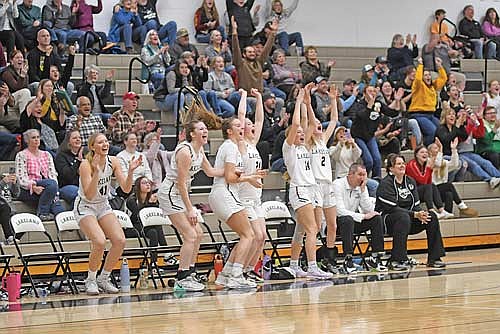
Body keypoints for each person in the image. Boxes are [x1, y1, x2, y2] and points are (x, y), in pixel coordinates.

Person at [158, 120, 222, 291]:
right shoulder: (185, 152)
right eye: (201, 128)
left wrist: (235, 172)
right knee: (190, 235)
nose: (205, 130)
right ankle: (182, 277)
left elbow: (211, 172)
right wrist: (190, 209)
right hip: (170, 194)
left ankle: (191, 271)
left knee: (199, 234)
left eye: (206, 128)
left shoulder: (199, 150)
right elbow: (180, 183)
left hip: (181, 194)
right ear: (192, 134)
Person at [75, 132, 142, 295]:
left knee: (120, 240)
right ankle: (90, 279)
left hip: (103, 205)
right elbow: (89, 195)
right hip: (85, 206)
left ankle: (103, 278)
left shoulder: (114, 161)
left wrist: (131, 172)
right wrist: (97, 173)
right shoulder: (85, 165)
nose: (104, 144)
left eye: (106, 141)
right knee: (99, 241)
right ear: (92, 147)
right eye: (99, 142)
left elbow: (125, 189)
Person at [208, 113, 265, 288]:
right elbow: (230, 178)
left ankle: (225, 275)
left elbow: (231, 175)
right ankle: (236, 275)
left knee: (248, 235)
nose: (241, 128)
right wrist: (249, 178)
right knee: (249, 235)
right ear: (229, 131)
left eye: (242, 126)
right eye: (237, 126)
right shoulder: (230, 148)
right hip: (225, 193)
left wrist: (250, 176)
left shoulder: (233, 147)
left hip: (224, 194)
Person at [284, 88, 332, 279]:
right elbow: (297, 124)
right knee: (312, 229)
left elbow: (309, 123)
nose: (302, 133)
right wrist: (297, 102)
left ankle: (294, 264)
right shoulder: (289, 149)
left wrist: (307, 103)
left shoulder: (304, 145)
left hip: (313, 189)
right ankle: (312, 266)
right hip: (299, 189)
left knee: (305, 229)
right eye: (298, 133)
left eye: (303, 133)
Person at [375, 153, 446, 269]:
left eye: (403, 163)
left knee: (431, 216)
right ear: (391, 168)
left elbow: (416, 205)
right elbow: (392, 208)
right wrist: (414, 214)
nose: (402, 166)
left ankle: (435, 258)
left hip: (408, 219)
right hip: (388, 221)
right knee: (402, 216)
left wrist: (421, 214)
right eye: (398, 164)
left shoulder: (410, 182)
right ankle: (397, 259)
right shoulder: (385, 184)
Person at [303, 82, 338, 272]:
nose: (318, 126)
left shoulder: (323, 140)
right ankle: (311, 261)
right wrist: (308, 104)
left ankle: (329, 259)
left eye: (319, 124)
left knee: (332, 224)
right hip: (314, 186)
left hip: (328, 186)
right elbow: (310, 122)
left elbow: (333, 121)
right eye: (315, 124)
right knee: (315, 227)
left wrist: (333, 101)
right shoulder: (308, 143)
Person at [235, 88, 267, 283]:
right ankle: (241, 270)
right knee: (255, 235)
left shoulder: (253, 143)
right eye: (247, 125)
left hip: (256, 198)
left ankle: (250, 270)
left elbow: (260, 120)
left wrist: (260, 98)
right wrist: (245, 97)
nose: (251, 125)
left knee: (262, 237)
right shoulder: (241, 144)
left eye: (250, 123)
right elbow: (240, 116)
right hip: (244, 197)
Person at [333, 163, 387, 273]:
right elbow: (339, 211)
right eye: (360, 174)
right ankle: (348, 259)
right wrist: (362, 216)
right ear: (350, 174)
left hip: (353, 222)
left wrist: (363, 191)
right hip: (335, 224)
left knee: (376, 218)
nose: (362, 178)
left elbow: (369, 209)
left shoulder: (361, 186)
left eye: (364, 175)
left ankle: (375, 257)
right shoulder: (337, 185)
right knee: (346, 219)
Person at [16, 129, 65, 221]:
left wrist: (54, 189)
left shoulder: (47, 154)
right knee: (51, 186)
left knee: (60, 211)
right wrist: (33, 187)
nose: (36, 140)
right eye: (33, 138)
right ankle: (43, 213)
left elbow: (53, 174)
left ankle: (48, 214)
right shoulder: (21, 155)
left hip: (48, 188)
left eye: (38, 137)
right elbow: (21, 178)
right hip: (28, 189)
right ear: (27, 141)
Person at [351, 85, 397, 178]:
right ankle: (363, 178)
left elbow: (392, 113)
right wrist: (370, 104)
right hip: (358, 136)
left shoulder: (378, 104)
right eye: (370, 91)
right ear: (364, 94)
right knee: (368, 161)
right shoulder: (359, 104)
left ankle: (377, 180)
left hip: (370, 136)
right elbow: (362, 116)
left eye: (374, 91)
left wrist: (397, 100)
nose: (372, 93)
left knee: (377, 159)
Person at [428, 138, 478, 217]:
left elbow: (455, 164)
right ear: (430, 151)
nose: (437, 149)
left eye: (438, 147)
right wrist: (441, 148)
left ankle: (448, 213)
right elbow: (437, 164)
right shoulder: (428, 161)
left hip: (441, 189)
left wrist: (454, 149)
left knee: (449, 193)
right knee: (449, 185)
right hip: (432, 190)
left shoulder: (443, 162)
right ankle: (461, 206)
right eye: (435, 147)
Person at [405, 145, 454, 219]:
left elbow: (428, 181)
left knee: (432, 185)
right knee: (428, 186)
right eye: (422, 152)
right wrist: (429, 169)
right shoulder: (412, 164)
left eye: (426, 152)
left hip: (419, 191)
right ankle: (431, 210)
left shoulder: (424, 165)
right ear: (416, 155)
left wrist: (429, 169)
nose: (424, 154)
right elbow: (422, 181)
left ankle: (441, 210)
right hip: (410, 193)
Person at [126, 176, 167, 262]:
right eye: (144, 183)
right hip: (133, 227)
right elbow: (139, 215)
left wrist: (153, 203)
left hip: (146, 227)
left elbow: (156, 216)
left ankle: (153, 262)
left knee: (154, 231)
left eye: (149, 183)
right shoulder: (131, 200)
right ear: (137, 186)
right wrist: (150, 204)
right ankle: (167, 251)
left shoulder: (152, 199)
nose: (148, 185)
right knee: (155, 227)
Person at [408, 57, 447, 146]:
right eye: (425, 75)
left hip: (431, 115)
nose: (428, 77)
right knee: (432, 131)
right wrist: (420, 65)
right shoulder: (418, 85)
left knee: (442, 129)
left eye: (429, 75)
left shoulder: (433, 86)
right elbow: (417, 79)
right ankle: (425, 148)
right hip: (418, 114)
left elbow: (443, 78)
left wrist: (439, 66)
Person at [20, 92, 64, 156]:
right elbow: (28, 110)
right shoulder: (27, 121)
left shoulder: (45, 120)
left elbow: (61, 124)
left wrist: (62, 110)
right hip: (40, 150)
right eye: (36, 107)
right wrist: (38, 99)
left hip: (55, 150)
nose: (40, 109)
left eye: (40, 107)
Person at [116, 132, 152, 197]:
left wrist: (148, 181)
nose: (134, 140)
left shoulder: (142, 155)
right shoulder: (120, 156)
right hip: (129, 186)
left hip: (143, 183)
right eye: (132, 139)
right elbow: (124, 176)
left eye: (135, 139)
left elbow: (147, 171)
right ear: (125, 142)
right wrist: (140, 183)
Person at [54, 129, 82, 206]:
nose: (78, 139)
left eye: (79, 137)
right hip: (66, 186)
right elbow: (67, 176)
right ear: (68, 142)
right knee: (78, 194)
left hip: (82, 186)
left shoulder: (85, 154)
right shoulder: (61, 156)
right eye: (74, 138)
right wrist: (78, 161)